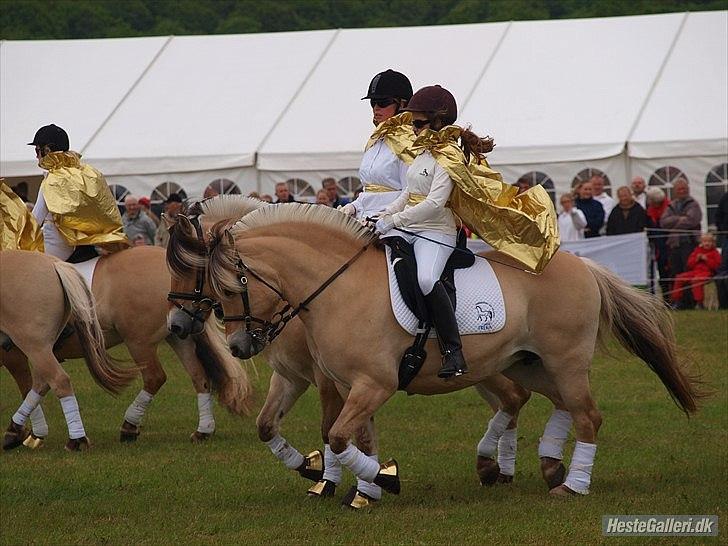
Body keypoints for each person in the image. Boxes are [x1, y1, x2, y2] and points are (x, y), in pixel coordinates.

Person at [374, 85, 558, 379]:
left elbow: (435, 204)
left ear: (436, 121)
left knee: (426, 278)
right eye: (412, 123)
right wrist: (385, 215)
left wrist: (395, 221)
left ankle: (453, 351)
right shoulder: (421, 153)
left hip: (436, 232)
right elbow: (408, 192)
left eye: (419, 123)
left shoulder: (448, 156)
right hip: (410, 227)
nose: (414, 128)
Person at [29, 124, 128, 261]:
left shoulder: (51, 181)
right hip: (88, 242)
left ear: (47, 150)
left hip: (57, 244)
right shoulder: (89, 173)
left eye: (37, 150)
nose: (36, 156)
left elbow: (35, 220)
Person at [340, 69, 414, 220]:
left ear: (402, 104)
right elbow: (370, 191)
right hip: (364, 217)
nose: (376, 108)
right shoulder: (374, 141)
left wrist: (387, 215)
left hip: (394, 221)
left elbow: (411, 192)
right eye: (373, 103)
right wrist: (354, 206)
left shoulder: (410, 143)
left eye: (383, 102)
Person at [660, 178, 702, 279]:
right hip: (674, 245)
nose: (682, 191)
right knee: (675, 273)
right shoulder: (671, 205)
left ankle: (689, 295)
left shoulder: (693, 204)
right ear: (675, 191)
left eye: (684, 188)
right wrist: (680, 218)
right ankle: (678, 295)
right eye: (679, 189)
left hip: (690, 243)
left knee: (689, 272)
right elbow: (663, 222)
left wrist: (673, 224)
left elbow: (691, 220)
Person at [671, 233, 721, 309]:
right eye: (704, 241)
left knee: (696, 280)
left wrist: (707, 259)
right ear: (701, 242)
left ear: (713, 243)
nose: (707, 243)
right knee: (679, 278)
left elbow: (717, 266)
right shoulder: (697, 251)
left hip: (707, 273)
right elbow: (689, 265)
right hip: (695, 271)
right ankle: (677, 301)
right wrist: (696, 259)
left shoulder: (715, 252)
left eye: (709, 241)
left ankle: (699, 303)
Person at [646, 187, 671, 302]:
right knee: (661, 272)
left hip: (669, 245)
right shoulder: (649, 210)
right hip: (657, 246)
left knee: (670, 271)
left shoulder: (669, 207)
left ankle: (672, 298)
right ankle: (666, 298)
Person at [715, 191, 728, 309]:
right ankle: (724, 304)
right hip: (727, 237)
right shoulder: (725, 197)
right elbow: (718, 216)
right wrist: (722, 230)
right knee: (723, 271)